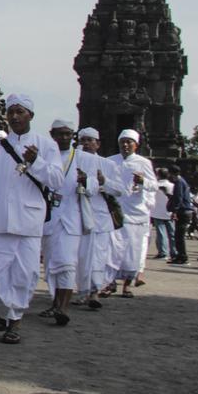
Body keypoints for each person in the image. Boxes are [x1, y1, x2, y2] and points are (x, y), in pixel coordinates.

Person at [0, 94, 63, 344]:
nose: (15, 116)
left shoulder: (46, 145)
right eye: (11, 112)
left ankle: (15, 322)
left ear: (30, 115)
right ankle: (4, 310)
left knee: (24, 275)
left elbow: (57, 181)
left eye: (20, 111)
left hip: (29, 221)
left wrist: (36, 162)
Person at [37, 119, 94, 326]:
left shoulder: (82, 158)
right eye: (59, 134)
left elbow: (96, 185)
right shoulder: (45, 156)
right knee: (52, 265)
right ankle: (55, 303)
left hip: (71, 219)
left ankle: (64, 307)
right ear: (52, 135)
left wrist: (86, 181)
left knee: (67, 264)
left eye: (67, 134)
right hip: (49, 218)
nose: (63, 138)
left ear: (73, 136)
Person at [72, 128, 124, 310]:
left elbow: (120, 189)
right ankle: (82, 291)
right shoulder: (72, 160)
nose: (86, 143)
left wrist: (104, 183)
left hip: (100, 217)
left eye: (90, 140)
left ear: (98, 144)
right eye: (83, 140)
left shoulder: (107, 164)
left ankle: (94, 292)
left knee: (98, 256)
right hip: (76, 214)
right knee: (80, 256)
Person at [107, 129, 156, 295]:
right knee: (112, 248)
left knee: (132, 250)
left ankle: (127, 285)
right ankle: (110, 281)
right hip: (115, 210)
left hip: (135, 212)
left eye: (129, 142)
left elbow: (154, 185)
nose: (126, 145)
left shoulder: (144, 163)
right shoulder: (110, 161)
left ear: (136, 145)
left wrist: (143, 181)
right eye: (123, 142)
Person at [167, 166, 194, 265]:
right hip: (185, 211)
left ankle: (182, 257)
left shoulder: (178, 182)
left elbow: (178, 197)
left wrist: (174, 211)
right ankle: (179, 255)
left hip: (183, 211)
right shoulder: (182, 181)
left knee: (179, 236)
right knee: (178, 235)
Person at [151, 168, 174, 260]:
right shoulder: (172, 185)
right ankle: (174, 251)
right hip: (170, 212)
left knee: (161, 233)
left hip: (158, 212)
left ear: (158, 175)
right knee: (172, 233)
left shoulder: (155, 185)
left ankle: (163, 252)